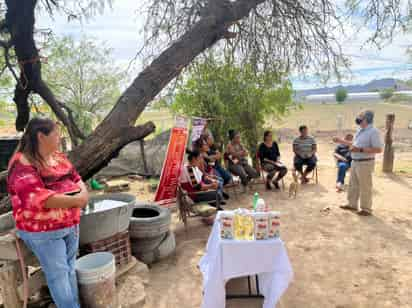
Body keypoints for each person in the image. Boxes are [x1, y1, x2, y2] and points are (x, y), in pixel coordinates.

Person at [7, 118, 89, 308]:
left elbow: (76, 177)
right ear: (41, 136)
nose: (60, 138)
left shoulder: (58, 156)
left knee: (69, 269)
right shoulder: (21, 163)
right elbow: (38, 198)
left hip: (70, 224)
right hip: (43, 231)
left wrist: (83, 193)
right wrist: (78, 200)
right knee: (58, 276)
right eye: (56, 134)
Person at [334, 110, 383, 216]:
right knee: (353, 184)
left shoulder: (373, 132)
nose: (358, 118)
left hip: (365, 162)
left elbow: (378, 149)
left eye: (360, 116)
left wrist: (360, 150)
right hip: (355, 161)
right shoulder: (360, 130)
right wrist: (341, 141)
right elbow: (354, 144)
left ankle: (366, 209)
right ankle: (352, 204)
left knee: (365, 186)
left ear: (367, 119)